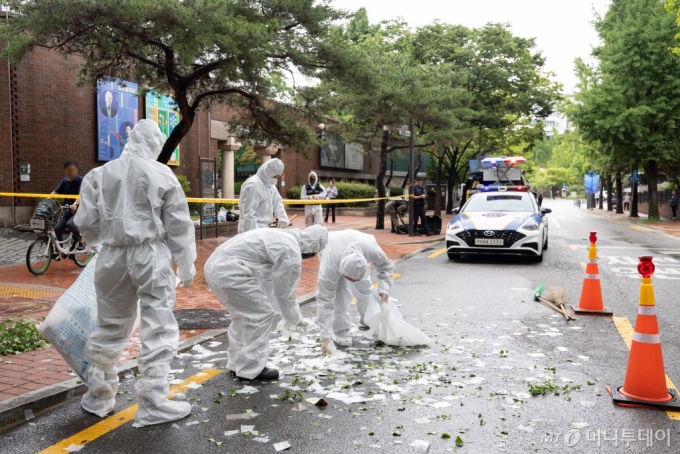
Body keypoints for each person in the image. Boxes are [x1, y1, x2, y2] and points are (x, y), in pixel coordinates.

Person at [74, 120, 197, 427]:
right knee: (157, 325)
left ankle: (98, 396)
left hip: (111, 255)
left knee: (110, 324)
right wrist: (186, 262)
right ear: (154, 143)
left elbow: (86, 223)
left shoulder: (98, 175)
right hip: (150, 254)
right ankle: (153, 401)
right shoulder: (161, 173)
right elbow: (179, 224)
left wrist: (103, 245)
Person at [204, 225, 328, 381]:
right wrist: (295, 319)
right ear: (311, 249)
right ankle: (251, 369)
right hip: (231, 271)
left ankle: (237, 364)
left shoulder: (282, 236)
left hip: (215, 266)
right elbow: (285, 292)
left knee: (242, 316)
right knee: (260, 316)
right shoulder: (290, 251)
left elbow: (271, 283)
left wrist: (279, 310)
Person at [316, 230, 394, 354]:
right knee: (339, 297)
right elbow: (325, 300)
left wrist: (384, 289)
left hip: (356, 244)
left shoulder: (371, 250)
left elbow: (385, 266)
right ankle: (342, 333)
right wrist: (325, 337)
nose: (352, 282)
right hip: (330, 247)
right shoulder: (329, 267)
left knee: (365, 290)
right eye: (349, 278)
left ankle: (367, 319)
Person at [238, 158, 289, 233]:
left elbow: (277, 203)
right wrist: (254, 234)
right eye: (275, 176)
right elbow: (249, 214)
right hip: (250, 228)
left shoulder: (270, 184)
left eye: (278, 177)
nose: (276, 179)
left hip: (264, 228)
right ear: (268, 172)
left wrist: (283, 218)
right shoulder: (253, 185)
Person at [52, 160, 85, 250]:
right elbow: (55, 192)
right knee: (57, 228)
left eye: (73, 169)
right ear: (65, 171)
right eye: (69, 170)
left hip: (79, 210)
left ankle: (81, 240)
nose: (71, 172)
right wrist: (45, 202)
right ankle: (59, 249)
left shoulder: (80, 180)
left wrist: (75, 204)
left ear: (76, 170)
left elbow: (81, 195)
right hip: (68, 210)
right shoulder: (64, 181)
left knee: (70, 224)